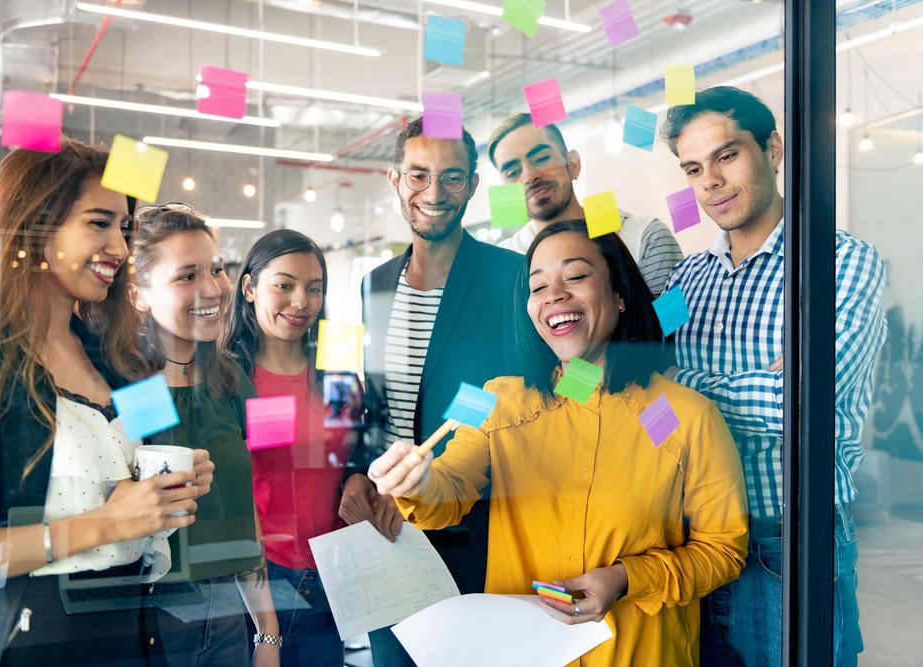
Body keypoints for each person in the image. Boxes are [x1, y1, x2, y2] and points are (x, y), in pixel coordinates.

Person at [369, 219, 748, 666]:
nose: (554, 294)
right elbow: (449, 488)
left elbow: (723, 548)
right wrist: (417, 481)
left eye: (576, 276)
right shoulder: (495, 397)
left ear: (620, 295)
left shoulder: (679, 415)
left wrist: (627, 578)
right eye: (538, 286)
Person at [0, 139, 212, 666]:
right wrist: (108, 522)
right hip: (32, 642)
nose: (120, 249)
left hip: (134, 630)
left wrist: (173, 484)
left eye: (123, 229)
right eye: (98, 223)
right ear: (33, 226)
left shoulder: (122, 356)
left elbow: (153, 459)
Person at [660, 86, 887, 666]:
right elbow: (641, 392)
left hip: (785, 540)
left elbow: (801, 402)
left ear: (773, 148)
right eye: (693, 168)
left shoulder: (838, 261)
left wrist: (684, 389)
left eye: (727, 155)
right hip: (685, 541)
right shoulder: (686, 283)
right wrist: (754, 381)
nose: (709, 180)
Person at [338, 117, 529, 666]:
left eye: (452, 178)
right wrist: (359, 469)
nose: (434, 193)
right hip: (386, 528)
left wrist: (427, 481)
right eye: (419, 175)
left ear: (471, 186)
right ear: (395, 181)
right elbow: (374, 400)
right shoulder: (374, 281)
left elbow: (508, 396)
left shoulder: (511, 277)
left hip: (471, 526)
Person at [129, 204, 280, 667]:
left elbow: (244, 507)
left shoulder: (229, 381)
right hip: (152, 617)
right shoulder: (127, 386)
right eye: (187, 275)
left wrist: (267, 632)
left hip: (229, 614)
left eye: (216, 269)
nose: (213, 288)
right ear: (138, 294)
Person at [223, 229, 361, 667]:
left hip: (330, 582)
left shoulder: (338, 376)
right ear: (249, 288)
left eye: (314, 288)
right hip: (259, 587)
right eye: (284, 285)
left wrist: (360, 476)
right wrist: (267, 630)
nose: (301, 302)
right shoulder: (229, 380)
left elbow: (350, 457)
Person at [488, 113, 683, 297]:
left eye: (541, 159)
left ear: (573, 164)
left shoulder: (645, 238)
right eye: (513, 172)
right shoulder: (502, 262)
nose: (529, 176)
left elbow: (673, 328)